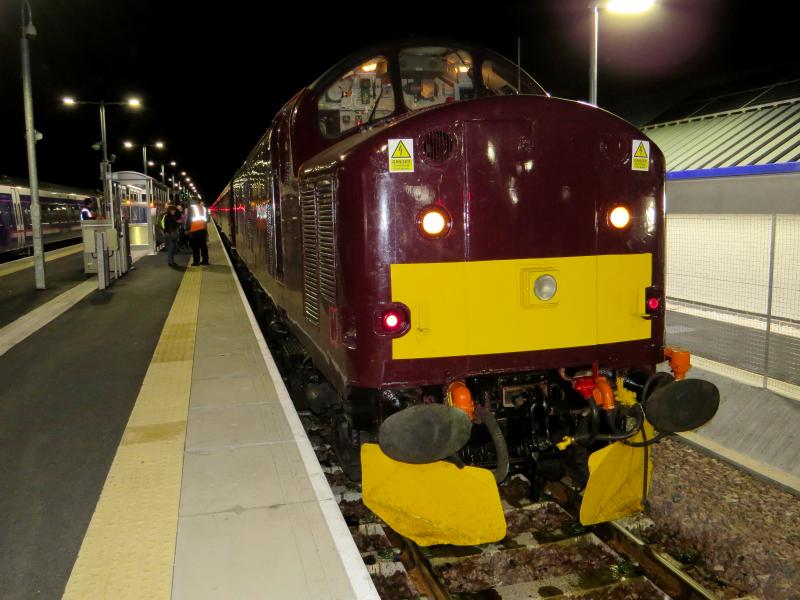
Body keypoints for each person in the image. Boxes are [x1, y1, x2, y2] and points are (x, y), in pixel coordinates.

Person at [186, 199, 209, 265]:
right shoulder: (203, 208)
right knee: (203, 246)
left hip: (194, 229)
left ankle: (196, 261)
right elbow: (207, 219)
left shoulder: (191, 208)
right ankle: (205, 260)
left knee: (195, 247)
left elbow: (189, 219)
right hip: (203, 229)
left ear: (192, 202)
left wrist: (187, 229)